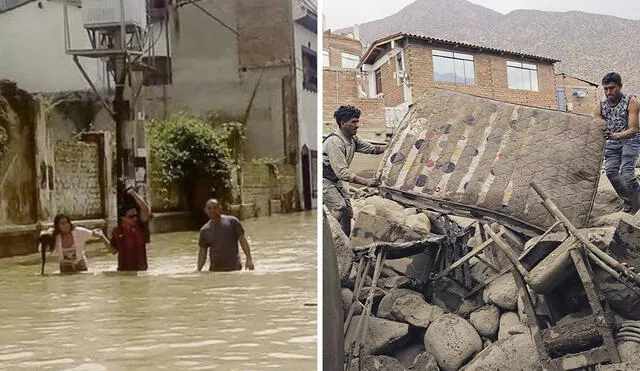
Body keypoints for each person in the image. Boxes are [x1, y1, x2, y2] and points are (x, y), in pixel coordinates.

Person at [323, 105, 387, 236]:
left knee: (348, 212)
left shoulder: (353, 139)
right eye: (353, 122)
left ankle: (345, 243)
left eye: (357, 121)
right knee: (339, 207)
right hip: (323, 180)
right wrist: (366, 181)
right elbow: (342, 173)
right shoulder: (335, 142)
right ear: (343, 123)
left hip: (335, 180)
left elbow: (373, 149)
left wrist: (394, 144)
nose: (357, 125)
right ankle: (327, 239)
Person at [594, 72, 640, 213]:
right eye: (606, 89)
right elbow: (596, 125)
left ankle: (637, 205)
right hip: (612, 143)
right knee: (611, 172)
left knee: (627, 173)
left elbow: (632, 129)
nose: (609, 92)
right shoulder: (601, 105)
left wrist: (614, 136)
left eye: (612, 88)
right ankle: (629, 201)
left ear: (620, 86)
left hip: (630, 140)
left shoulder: (632, 101)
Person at [38, 213, 111, 274]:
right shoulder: (54, 237)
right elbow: (41, 249)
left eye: (67, 222)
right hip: (65, 265)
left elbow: (98, 234)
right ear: (57, 225)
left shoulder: (79, 232)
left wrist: (109, 246)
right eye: (62, 223)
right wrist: (44, 238)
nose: (66, 225)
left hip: (80, 263)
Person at [197, 199, 254, 272]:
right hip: (215, 270)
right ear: (205, 210)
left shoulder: (233, 221)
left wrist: (249, 259)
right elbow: (202, 252)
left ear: (220, 208)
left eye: (215, 208)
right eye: (209, 208)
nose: (212, 211)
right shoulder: (204, 230)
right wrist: (198, 270)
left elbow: (243, 241)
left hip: (234, 268)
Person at [110, 187, 151, 271]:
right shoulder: (117, 231)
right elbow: (113, 251)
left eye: (136, 215)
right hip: (123, 271)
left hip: (141, 272)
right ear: (123, 218)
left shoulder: (140, 226)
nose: (135, 218)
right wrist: (101, 237)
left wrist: (133, 193)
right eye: (131, 217)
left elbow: (145, 209)